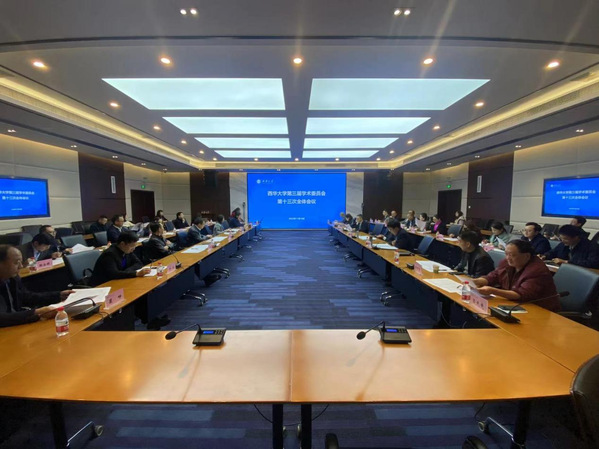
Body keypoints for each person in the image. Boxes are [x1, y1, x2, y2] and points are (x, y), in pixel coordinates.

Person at [472, 240, 560, 312]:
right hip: (515, 304)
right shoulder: (506, 262)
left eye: (512, 255)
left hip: (539, 309)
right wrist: (478, 281)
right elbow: (494, 276)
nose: (508, 258)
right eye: (506, 254)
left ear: (527, 256)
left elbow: (521, 294)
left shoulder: (537, 270)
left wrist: (492, 291)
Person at [0, 245, 73, 328]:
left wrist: (59, 295)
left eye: (21, 262)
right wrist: (36, 312)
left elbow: (27, 297)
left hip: (15, 326)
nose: (21, 266)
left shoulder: (12, 278)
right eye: (16, 263)